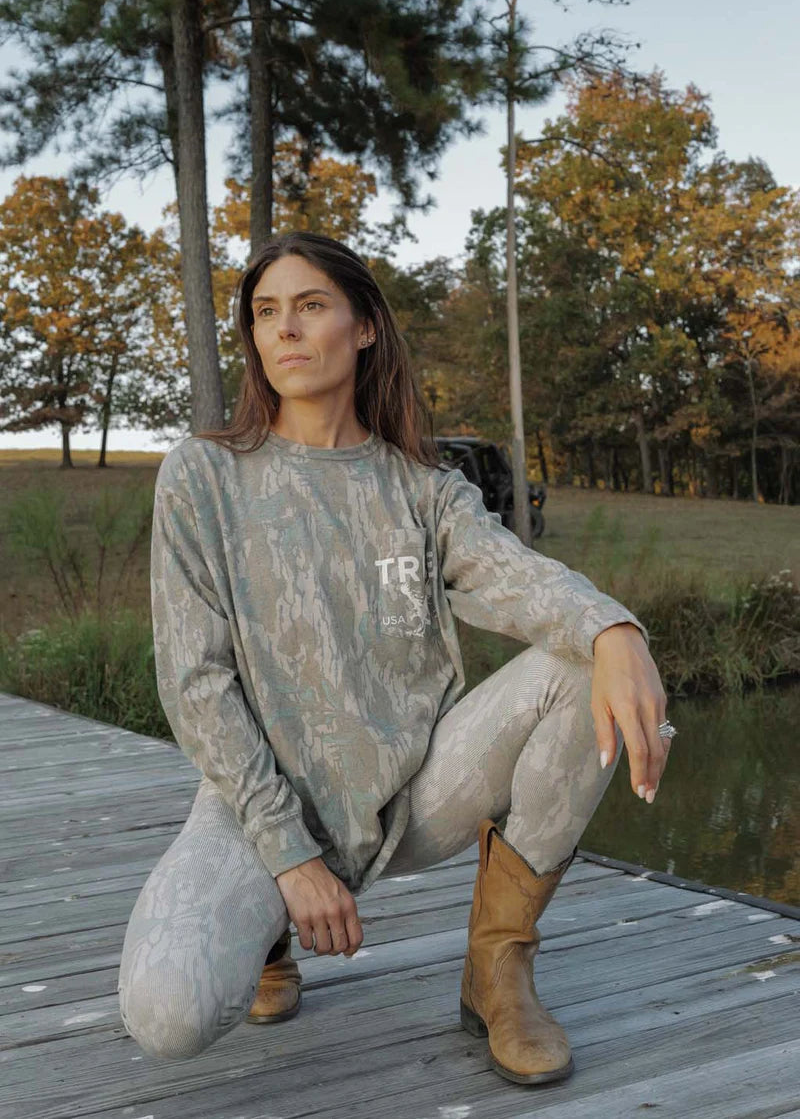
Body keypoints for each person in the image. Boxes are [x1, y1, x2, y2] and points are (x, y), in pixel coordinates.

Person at [117, 230, 672, 1085]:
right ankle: (267, 936)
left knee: (575, 665)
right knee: (166, 1014)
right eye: (267, 313)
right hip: (256, 807)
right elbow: (193, 682)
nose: (286, 332)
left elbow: (515, 578)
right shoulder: (203, 476)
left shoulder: (425, 489)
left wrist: (613, 631)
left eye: (310, 306)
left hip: (412, 791)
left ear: (365, 325)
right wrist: (290, 858)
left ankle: (498, 973)